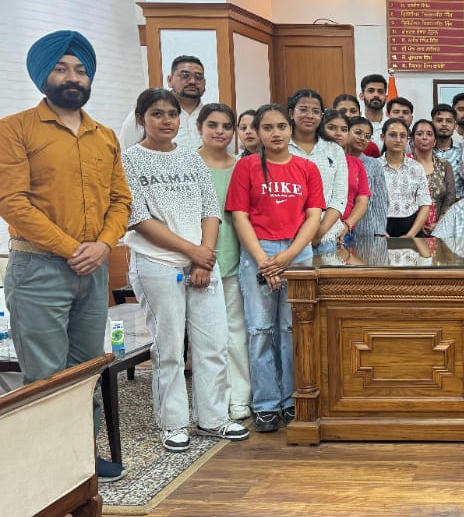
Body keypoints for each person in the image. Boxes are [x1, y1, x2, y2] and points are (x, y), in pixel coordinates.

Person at [0, 30, 132, 482]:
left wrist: (103, 245)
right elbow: (12, 202)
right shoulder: (14, 129)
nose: (72, 77)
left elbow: (121, 200)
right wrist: (72, 248)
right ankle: (47, 473)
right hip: (38, 269)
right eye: (61, 68)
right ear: (43, 76)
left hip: (92, 270)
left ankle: (80, 460)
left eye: (80, 70)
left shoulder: (104, 136)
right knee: (46, 377)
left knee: (84, 372)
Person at [123, 89, 250, 450]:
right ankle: (173, 423)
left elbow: (211, 210)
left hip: (201, 264)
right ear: (141, 119)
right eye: (157, 114)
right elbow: (140, 219)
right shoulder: (129, 161)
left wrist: (202, 256)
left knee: (213, 343)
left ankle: (213, 418)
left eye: (172, 114)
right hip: (157, 264)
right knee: (169, 348)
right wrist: (193, 252)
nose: (166, 121)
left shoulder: (191, 159)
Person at [226, 103, 325, 433]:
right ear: (258, 132)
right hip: (259, 251)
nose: (276, 133)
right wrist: (264, 261)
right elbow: (239, 216)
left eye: (281, 126)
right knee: (261, 330)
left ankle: (294, 399)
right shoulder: (246, 167)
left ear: (290, 128)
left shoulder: (307, 168)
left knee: (294, 329)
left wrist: (289, 256)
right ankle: (266, 404)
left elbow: (313, 215)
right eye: (267, 128)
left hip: (298, 252)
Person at [196, 103, 252, 421]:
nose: (220, 131)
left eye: (226, 126)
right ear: (199, 128)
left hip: (236, 257)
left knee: (236, 332)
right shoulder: (189, 164)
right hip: (198, 259)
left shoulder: (243, 166)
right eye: (212, 125)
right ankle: (212, 403)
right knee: (208, 337)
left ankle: (239, 398)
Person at [287, 89, 348, 255]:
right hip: (288, 237)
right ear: (291, 113)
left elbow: (339, 198)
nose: (310, 115)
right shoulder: (281, 148)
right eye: (303, 110)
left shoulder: (334, 150)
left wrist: (318, 234)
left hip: (325, 238)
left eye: (315, 111)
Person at [120, 55, 206, 150]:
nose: (192, 81)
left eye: (198, 77)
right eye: (185, 75)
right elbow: (126, 152)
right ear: (169, 80)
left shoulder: (211, 116)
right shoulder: (145, 114)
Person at [380, 118, 431, 237]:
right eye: (392, 135)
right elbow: (368, 205)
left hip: (412, 228)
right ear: (383, 137)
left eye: (402, 136)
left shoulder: (416, 167)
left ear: (407, 139)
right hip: (381, 228)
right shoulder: (374, 167)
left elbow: (425, 205)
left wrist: (410, 236)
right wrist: (381, 232)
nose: (398, 140)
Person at [411, 119, 454, 234]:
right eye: (420, 134)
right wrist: (418, 224)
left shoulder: (444, 165)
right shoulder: (406, 164)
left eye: (429, 134)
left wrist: (440, 222)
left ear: (435, 141)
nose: (424, 138)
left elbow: (450, 198)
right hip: (410, 227)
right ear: (413, 140)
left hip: (441, 227)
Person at [346, 115, 387, 237]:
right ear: (346, 131)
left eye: (367, 136)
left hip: (366, 228)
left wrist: (379, 231)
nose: (362, 138)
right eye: (358, 133)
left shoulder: (374, 164)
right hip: (337, 225)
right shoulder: (336, 161)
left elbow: (380, 201)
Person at [432, 103, 464, 196]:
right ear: (432, 123)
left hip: (458, 201)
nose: (444, 124)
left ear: (455, 125)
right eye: (439, 120)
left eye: (449, 121)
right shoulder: (425, 150)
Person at [360, 73, 388, 148]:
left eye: (380, 91)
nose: (376, 95)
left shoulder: (392, 125)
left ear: (386, 97)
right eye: (371, 91)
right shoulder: (355, 124)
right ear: (362, 96)